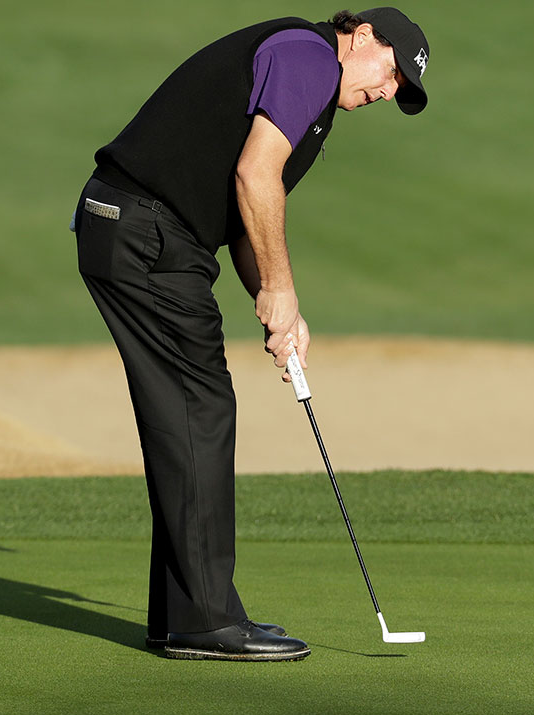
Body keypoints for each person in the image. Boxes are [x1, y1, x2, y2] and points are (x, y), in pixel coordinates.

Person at [70, 8, 430, 662]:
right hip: (148, 232)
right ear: (364, 36)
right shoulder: (309, 57)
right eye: (392, 73)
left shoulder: (316, 94)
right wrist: (282, 289)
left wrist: (276, 310)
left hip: (138, 229)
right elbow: (254, 177)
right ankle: (203, 620)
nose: (386, 91)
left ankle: (181, 617)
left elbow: (245, 218)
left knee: (193, 412)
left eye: (399, 91)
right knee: (199, 409)